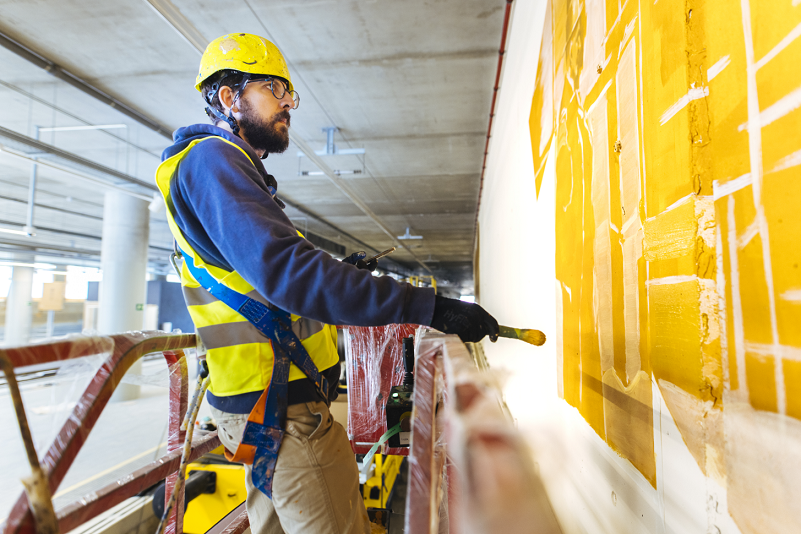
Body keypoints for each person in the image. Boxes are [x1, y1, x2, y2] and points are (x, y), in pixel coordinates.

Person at [155, 33, 499, 534]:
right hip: (282, 414)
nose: (289, 104)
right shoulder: (212, 163)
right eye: (274, 89)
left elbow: (267, 273)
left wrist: (345, 272)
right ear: (229, 98)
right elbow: (287, 273)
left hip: (260, 405)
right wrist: (428, 308)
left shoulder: (224, 171)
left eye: (290, 94)